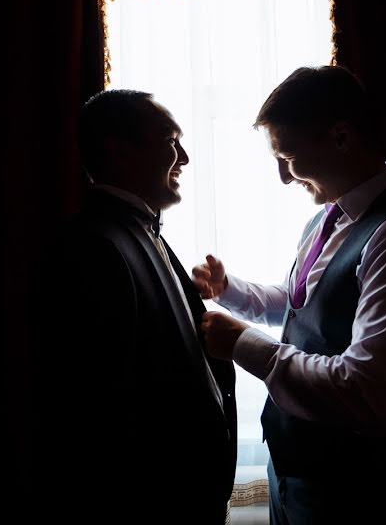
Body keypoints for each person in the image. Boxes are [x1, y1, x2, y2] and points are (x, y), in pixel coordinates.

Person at [192, 66, 386, 523]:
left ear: (341, 137)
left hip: (356, 489)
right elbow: (301, 305)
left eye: (290, 156)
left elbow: (368, 392)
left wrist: (242, 343)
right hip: (294, 470)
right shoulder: (326, 219)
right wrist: (228, 290)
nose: (283, 177)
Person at [35, 89, 237, 523]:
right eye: (171, 140)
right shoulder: (94, 246)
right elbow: (100, 405)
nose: (183, 157)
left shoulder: (139, 233)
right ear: (120, 152)